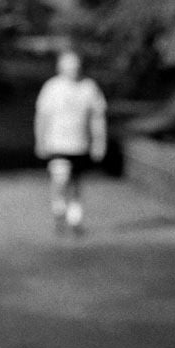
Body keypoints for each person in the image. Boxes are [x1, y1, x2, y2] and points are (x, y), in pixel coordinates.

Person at [34, 49, 107, 234]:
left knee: (75, 184)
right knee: (61, 179)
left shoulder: (89, 87)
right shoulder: (52, 87)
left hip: (80, 144)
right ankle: (59, 211)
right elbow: (42, 117)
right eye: (69, 64)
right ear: (60, 67)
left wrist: (99, 142)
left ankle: (75, 219)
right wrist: (40, 140)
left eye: (75, 64)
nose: (73, 68)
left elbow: (97, 117)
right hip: (57, 143)